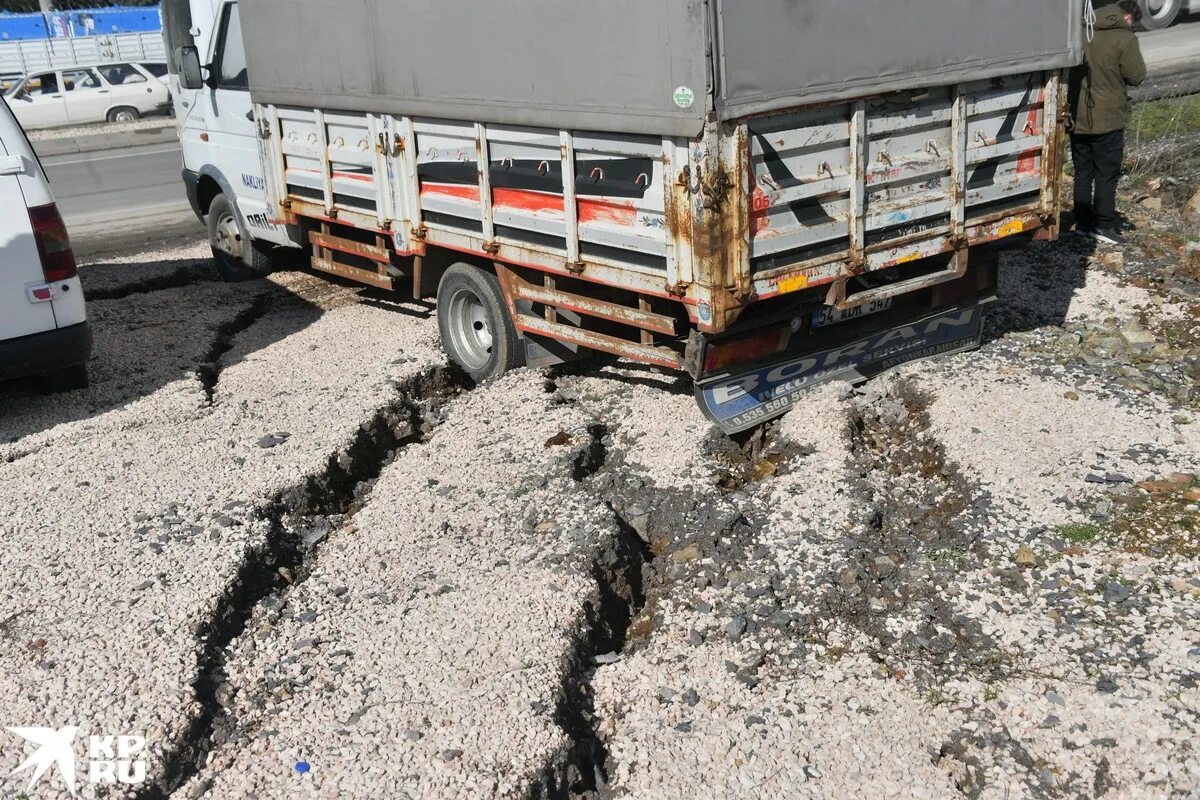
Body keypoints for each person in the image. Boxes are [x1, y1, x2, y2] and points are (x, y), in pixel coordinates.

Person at [1067, 0, 1147, 246]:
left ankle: (1082, 224)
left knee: (1082, 172)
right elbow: (1137, 75)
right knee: (1106, 174)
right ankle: (1103, 225)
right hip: (1108, 119)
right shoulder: (1125, 39)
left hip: (1076, 117)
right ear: (1129, 18)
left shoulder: (1080, 31)